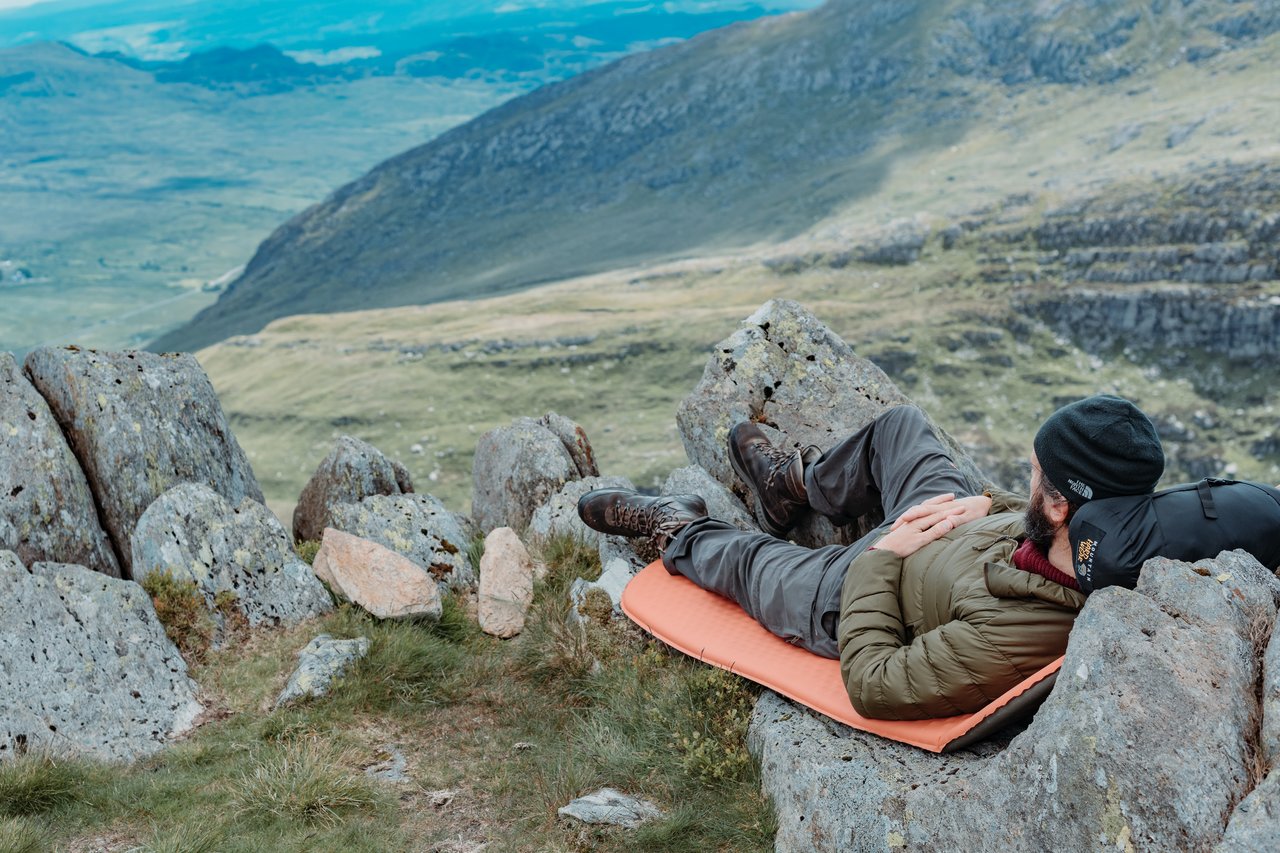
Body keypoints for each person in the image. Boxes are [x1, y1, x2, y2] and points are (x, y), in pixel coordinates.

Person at [578, 396, 1165, 720]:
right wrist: (989, 502)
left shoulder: (1018, 634)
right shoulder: (1091, 534)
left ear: (1061, 506)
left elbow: (874, 682)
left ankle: (678, 528)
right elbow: (1035, 520)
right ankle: (790, 485)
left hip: (860, 586)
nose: (1026, 478)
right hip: (949, 524)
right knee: (902, 426)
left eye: (1034, 477)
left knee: (754, 566)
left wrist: (883, 557)